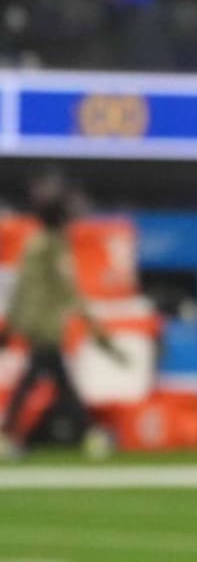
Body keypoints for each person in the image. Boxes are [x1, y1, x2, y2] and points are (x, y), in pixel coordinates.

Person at [0, 189, 123, 456]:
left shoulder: (38, 243)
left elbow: (25, 287)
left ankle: (13, 435)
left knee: (49, 379)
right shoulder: (50, 246)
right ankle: (12, 436)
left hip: (38, 321)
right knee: (49, 380)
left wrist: (12, 323)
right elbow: (64, 288)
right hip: (45, 324)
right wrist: (89, 319)